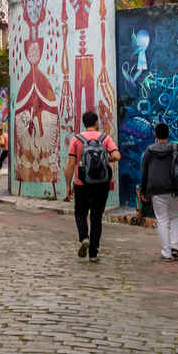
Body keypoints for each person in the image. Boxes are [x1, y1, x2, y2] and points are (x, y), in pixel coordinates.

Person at [63, 110, 120, 259]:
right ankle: (93, 253)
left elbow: (70, 165)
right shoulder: (105, 138)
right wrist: (105, 160)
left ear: (84, 123)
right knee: (96, 217)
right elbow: (117, 155)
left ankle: (84, 238)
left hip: (82, 183)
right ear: (96, 123)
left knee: (80, 213)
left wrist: (68, 186)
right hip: (102, 184)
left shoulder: (76, 139)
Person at [140, 122, 178, 261]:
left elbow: (144, 172)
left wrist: (143, 191)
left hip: (157, 189)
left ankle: (166, 252)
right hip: (177, 188)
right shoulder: (177, 148)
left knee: (162, 220)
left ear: (155, 134)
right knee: (176, 216)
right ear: (169, 134)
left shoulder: (149, 151)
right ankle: (175, 247)